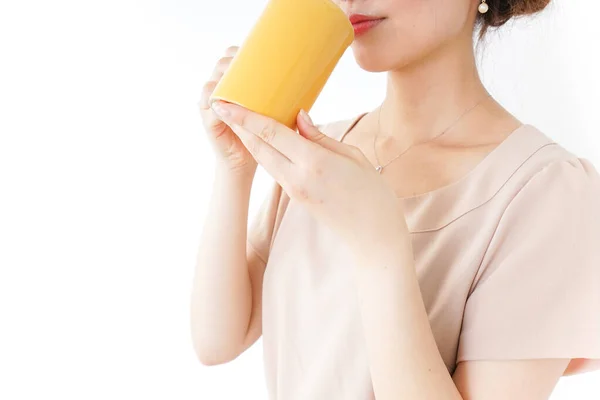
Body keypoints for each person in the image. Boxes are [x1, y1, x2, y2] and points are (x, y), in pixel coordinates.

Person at [192, 0, 600, 398]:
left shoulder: (544, 192)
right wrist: (234, 168)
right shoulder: (318, 154)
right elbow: (217, 341)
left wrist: (380, 245)